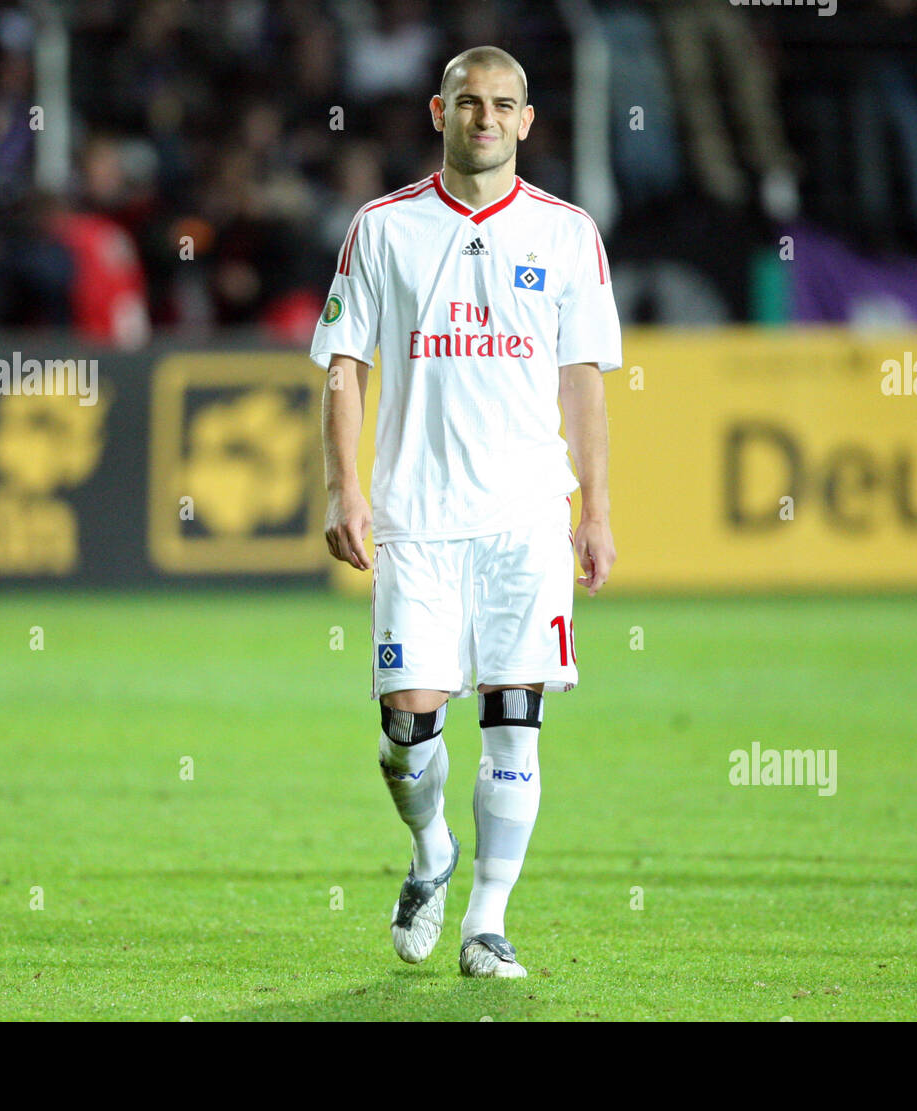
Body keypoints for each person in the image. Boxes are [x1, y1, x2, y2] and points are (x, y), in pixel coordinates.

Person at [310, 45, 621, 978]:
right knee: (407, 732)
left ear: (528, 121)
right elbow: (344, 365)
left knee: (514, 717)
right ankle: (430, 850)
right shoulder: (382, 227)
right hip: (417, 516)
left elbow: (582, 384)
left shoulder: (568, 234)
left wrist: (595, 510)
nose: (484, 118)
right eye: (468, 102)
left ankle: (487, 922)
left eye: (503, 105)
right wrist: (344, 487)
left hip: (526, 514)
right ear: (437, 111)